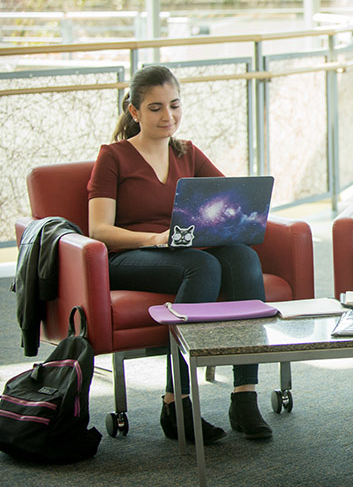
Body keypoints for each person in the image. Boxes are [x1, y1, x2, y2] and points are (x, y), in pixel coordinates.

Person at [87, 65, 272, 444]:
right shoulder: (113, 157)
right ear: (134, 111)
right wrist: (155, 239)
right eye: (155, 108)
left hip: (180, 252)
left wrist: (239, 216)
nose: (167, 116)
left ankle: (245, 395)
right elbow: (99, 230)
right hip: (128, 255)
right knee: (202, 266)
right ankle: (177, 402)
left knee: (243, 258)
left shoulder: (187, 152)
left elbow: (230, 198)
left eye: (174, 105)